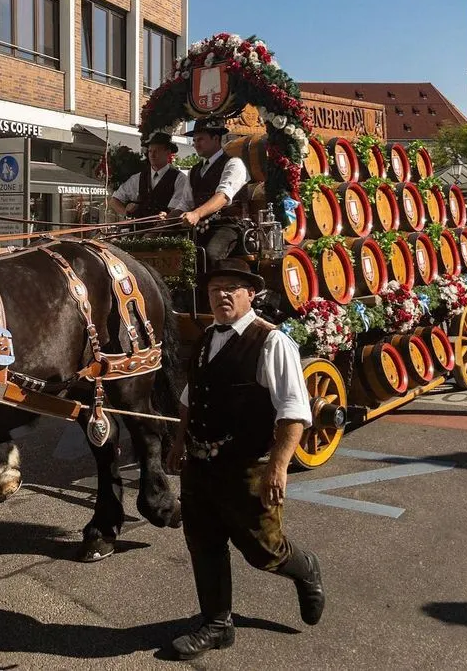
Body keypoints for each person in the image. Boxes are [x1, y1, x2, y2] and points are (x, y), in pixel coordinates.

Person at [164, 258, 324, 659]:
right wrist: (179, 444)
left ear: (251, 294)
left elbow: (293, 411)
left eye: (231, 288)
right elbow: (190, 399)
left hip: (247, 468)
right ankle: (217, 625)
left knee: (264, 550)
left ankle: (305, 568)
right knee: (204, 544)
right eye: (214, 289)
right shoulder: (205, 339)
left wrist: (278, 467)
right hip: (200, 466)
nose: (222, 295)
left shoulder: (271, 341)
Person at [169, 119, 251, 263]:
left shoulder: (233, 164)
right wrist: (167, 219)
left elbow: (223, 196)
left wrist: (196, 214)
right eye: (194, 140)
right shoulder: (194, 171)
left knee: (209, 255)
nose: (196, 144)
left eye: (200, 139)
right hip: (199, 227)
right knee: (168, 249)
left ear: (216, 139)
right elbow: (185, 204)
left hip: (228, 226)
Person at [108, 131, 189, 221]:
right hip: (139, 228)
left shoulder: (179, 179)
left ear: (168, 152)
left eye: (157, 151)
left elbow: (177, 209)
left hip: (166, 229)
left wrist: (165, 219)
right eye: (150, 151)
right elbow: (114, 200)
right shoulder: (138, 178)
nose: (152, 155)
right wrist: (127, 215)